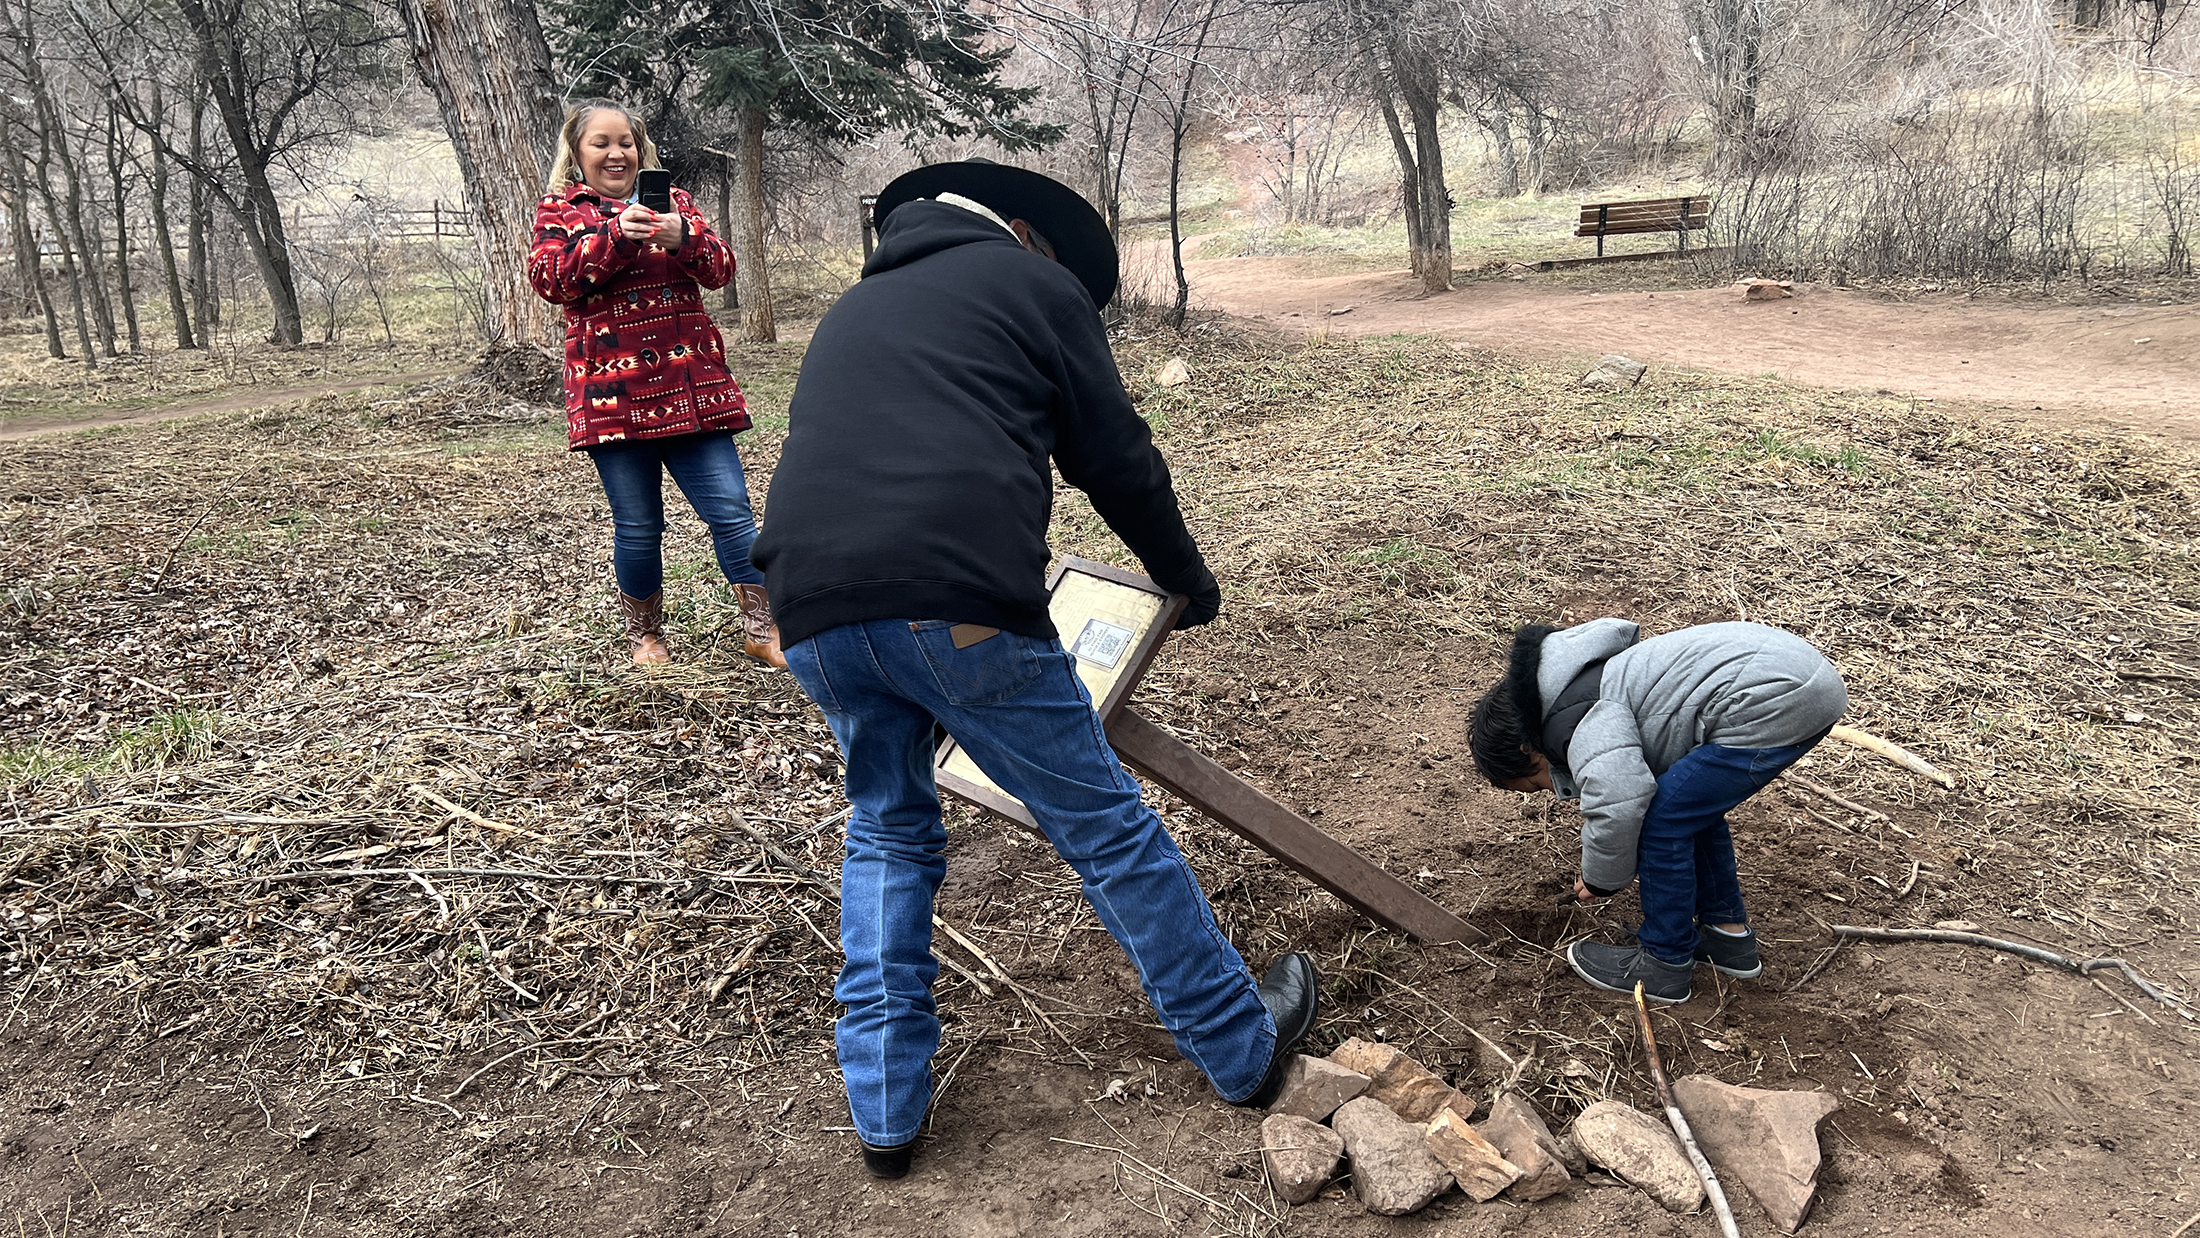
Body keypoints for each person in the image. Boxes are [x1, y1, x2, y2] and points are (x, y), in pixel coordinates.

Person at [750, 159, 1316, 1179]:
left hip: (810, 612)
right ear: (1022, 232)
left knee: (887, 826)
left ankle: (882, 1106)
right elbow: (1118, 458)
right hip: (956, 602)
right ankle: (1240, 1043)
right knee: (1101, 822)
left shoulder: (854, 309)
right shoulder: (1029, 283)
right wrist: (1187, 581)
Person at [1468, 618, 1849, 1004]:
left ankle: (1664, 961)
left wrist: (1601, 878)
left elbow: (1621, 803)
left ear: (1528, 749)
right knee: (1686, 809)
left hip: (1772, 699)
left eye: (1537, 783)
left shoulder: (1575, 722)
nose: (1554, 791)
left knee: (1660, 820)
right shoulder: (1582, 684)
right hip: (1798, 680)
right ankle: (1727, 938)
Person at [527, 98, 783, 669]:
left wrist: (681, 238)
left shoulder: (678, 205)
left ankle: (762, 630)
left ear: (642, 151)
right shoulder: (561, 211)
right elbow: (551, 279)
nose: (616, 153)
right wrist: (616, 234)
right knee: (639, 526)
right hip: (612, 398)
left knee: (733, 512)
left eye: (627, 143)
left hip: (695, 392)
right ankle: (646, 637)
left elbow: (720, 270)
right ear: (577, 152)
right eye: (602, 143)